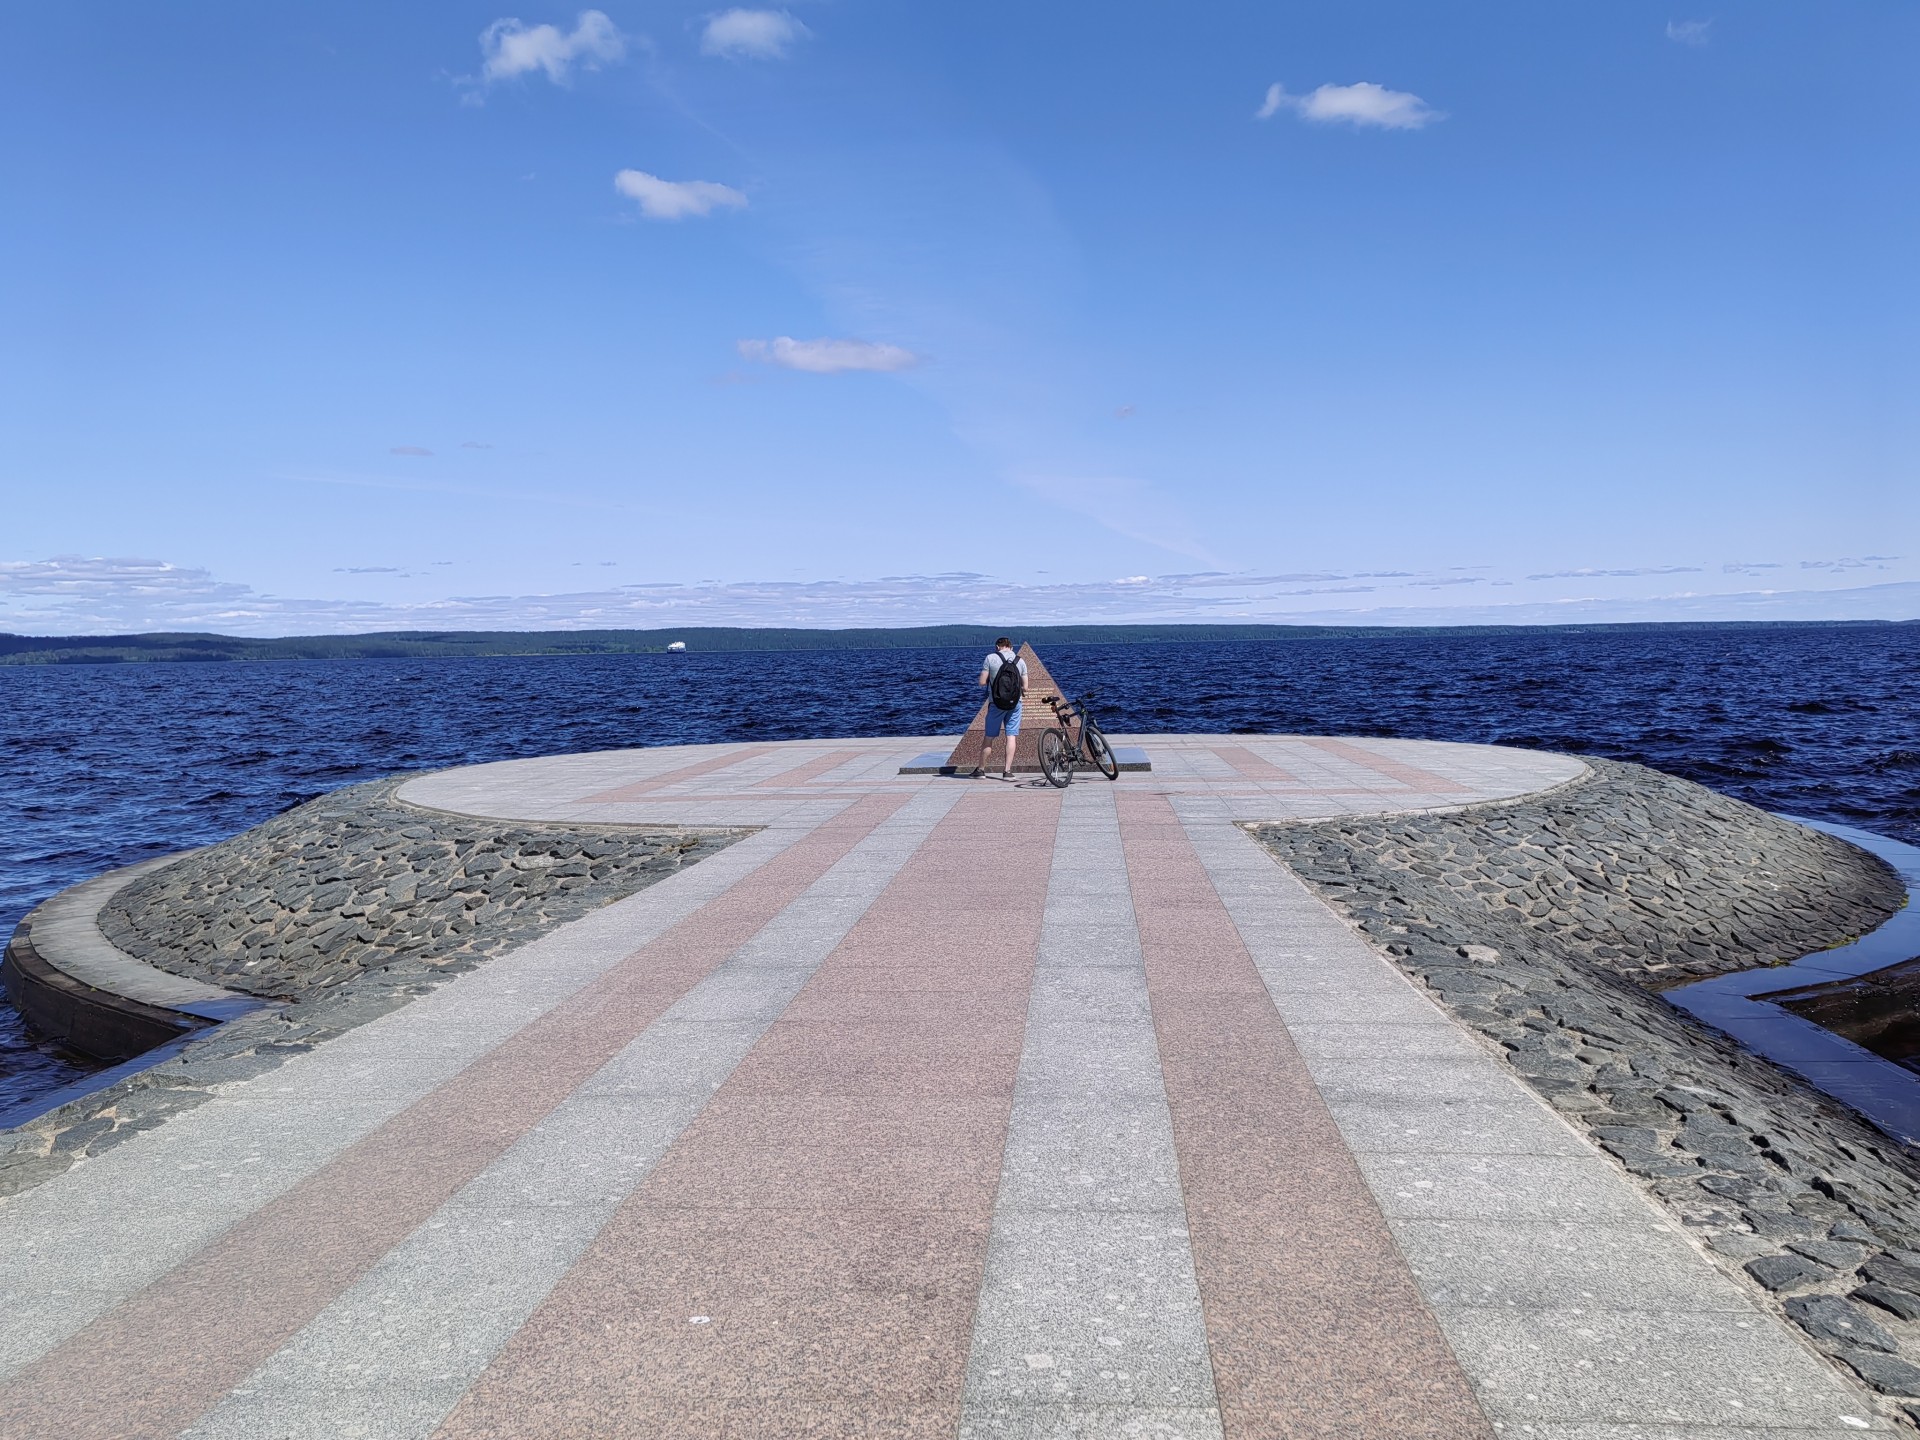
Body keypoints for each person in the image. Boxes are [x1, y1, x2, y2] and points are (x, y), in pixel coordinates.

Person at [975, 637, 1028, 779]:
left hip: (996, 703)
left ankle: (981, 770)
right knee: (1011, 736)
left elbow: (982, 682)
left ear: (998, 647)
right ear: (1011, 647)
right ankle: (1007, 771)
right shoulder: (1020, 661)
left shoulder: (990, 658)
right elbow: (1026, 687)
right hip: (1015, 703)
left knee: (989, 737)